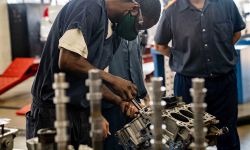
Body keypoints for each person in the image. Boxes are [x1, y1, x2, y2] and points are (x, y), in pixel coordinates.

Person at [26, 0, 161, 149]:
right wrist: (113, 80)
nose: (136, 32)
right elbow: (67, 60)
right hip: (52, 112)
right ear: (134, 9)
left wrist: (119, 101)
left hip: (79, 113)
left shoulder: (114, 32)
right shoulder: (88, 7)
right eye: (139, 26)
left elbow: (91, 76)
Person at [154, 0, 245, 149]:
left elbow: (236, 33)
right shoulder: (171, 11)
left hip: (224, 83)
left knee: (227, 134)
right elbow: (159, 45)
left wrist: (219, 53)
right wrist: (182, 58)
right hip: (187, 85)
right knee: (187, 138)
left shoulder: (227, 4)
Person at [103, 36, 149, 149]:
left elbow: (137, 61)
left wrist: (146, 96)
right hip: (110, 104)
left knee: (137, 143)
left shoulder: (134, 32)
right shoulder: (107, 30)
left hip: (135, 103)